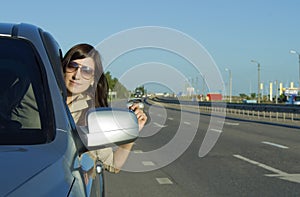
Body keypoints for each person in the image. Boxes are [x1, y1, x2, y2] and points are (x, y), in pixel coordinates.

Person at [62, 43, 147, 176]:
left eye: (86, 71)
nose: (77, 75)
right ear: (63, 69)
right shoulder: (36, 97)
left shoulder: (92, 115)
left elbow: (113, 164)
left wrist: (132, 130)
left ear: (92, 79)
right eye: (72, 66)